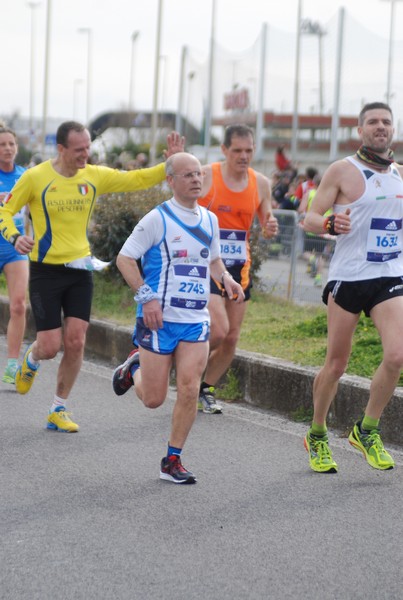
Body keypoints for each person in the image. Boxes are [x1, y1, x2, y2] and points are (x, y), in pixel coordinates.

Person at [0, 120, 184, 433]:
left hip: (80, 269)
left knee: (76, 340)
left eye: (88, 147)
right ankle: (31, 359)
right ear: (61, 149)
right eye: (78, 149)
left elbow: (136, 179)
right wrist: (15, 235)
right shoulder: (36, 177)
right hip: (45, 270)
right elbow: (4, 211)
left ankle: (59, 407)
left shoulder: (94, 176)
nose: (86, 153)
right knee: (49, 345)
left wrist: (170, 163)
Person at [111, 152, 244, 483]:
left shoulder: (210, 220)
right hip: (159, 318)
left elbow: (213, 259)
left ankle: (172, 460)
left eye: (198, 173)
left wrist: (225, 279)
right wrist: (147, 298)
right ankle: (135, 368)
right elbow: (125, 259)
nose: (196, 179)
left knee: (188, 388)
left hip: (195, 317)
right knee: (154, 399)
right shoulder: (158, 219)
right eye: (187, 175)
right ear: (171, 181)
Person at [303, 101, 403, 473]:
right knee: (336, 364)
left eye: (386, 122)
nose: (381, 127)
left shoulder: (400, 175)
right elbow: (308, 218)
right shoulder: (342, 170)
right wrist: (328, 225)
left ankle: (367, 429)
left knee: (397, 355)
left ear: (392, 130)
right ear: (360, 130)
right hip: (349, 276)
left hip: (389, 276)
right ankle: (317, 433)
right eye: (373, 122)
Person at [197, 124, 278, 413]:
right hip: (205, 265)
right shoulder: (207, 175)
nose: (244, 156)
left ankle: (204, 387)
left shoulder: (261, 183)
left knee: (232, 337)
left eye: (249, 150)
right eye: (237, 151)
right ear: (224, 150)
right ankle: (184, 367)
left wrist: (270, 226)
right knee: (218, 330)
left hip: (239, 269)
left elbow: (267, 224)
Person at [0, 123, 29, 384]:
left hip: (14, 249)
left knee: (19, 305)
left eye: (11, 144)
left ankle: (12, 365)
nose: (7, 149)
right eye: (2, 144)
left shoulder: (25, 177)